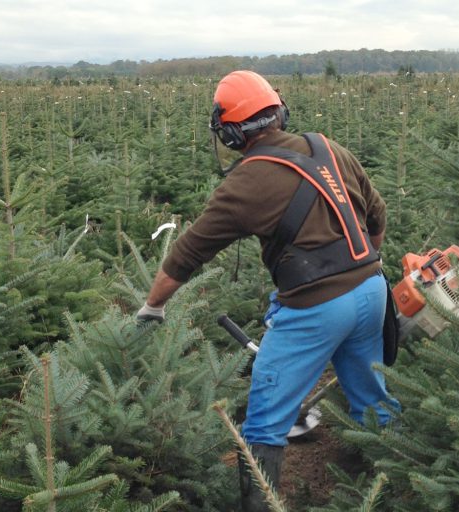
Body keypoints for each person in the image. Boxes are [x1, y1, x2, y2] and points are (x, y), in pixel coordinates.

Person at [136, 70, 400, 512]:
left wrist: (152, 306)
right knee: (371, 398)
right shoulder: (327, 147)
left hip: (316, 309)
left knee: (264, 419)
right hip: (373, 291)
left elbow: (186, 255)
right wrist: (361, 270)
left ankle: (261, 504)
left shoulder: (247, 181)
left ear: (231, 133)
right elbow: (377, 216)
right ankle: (392, 486)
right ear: (279, 112)